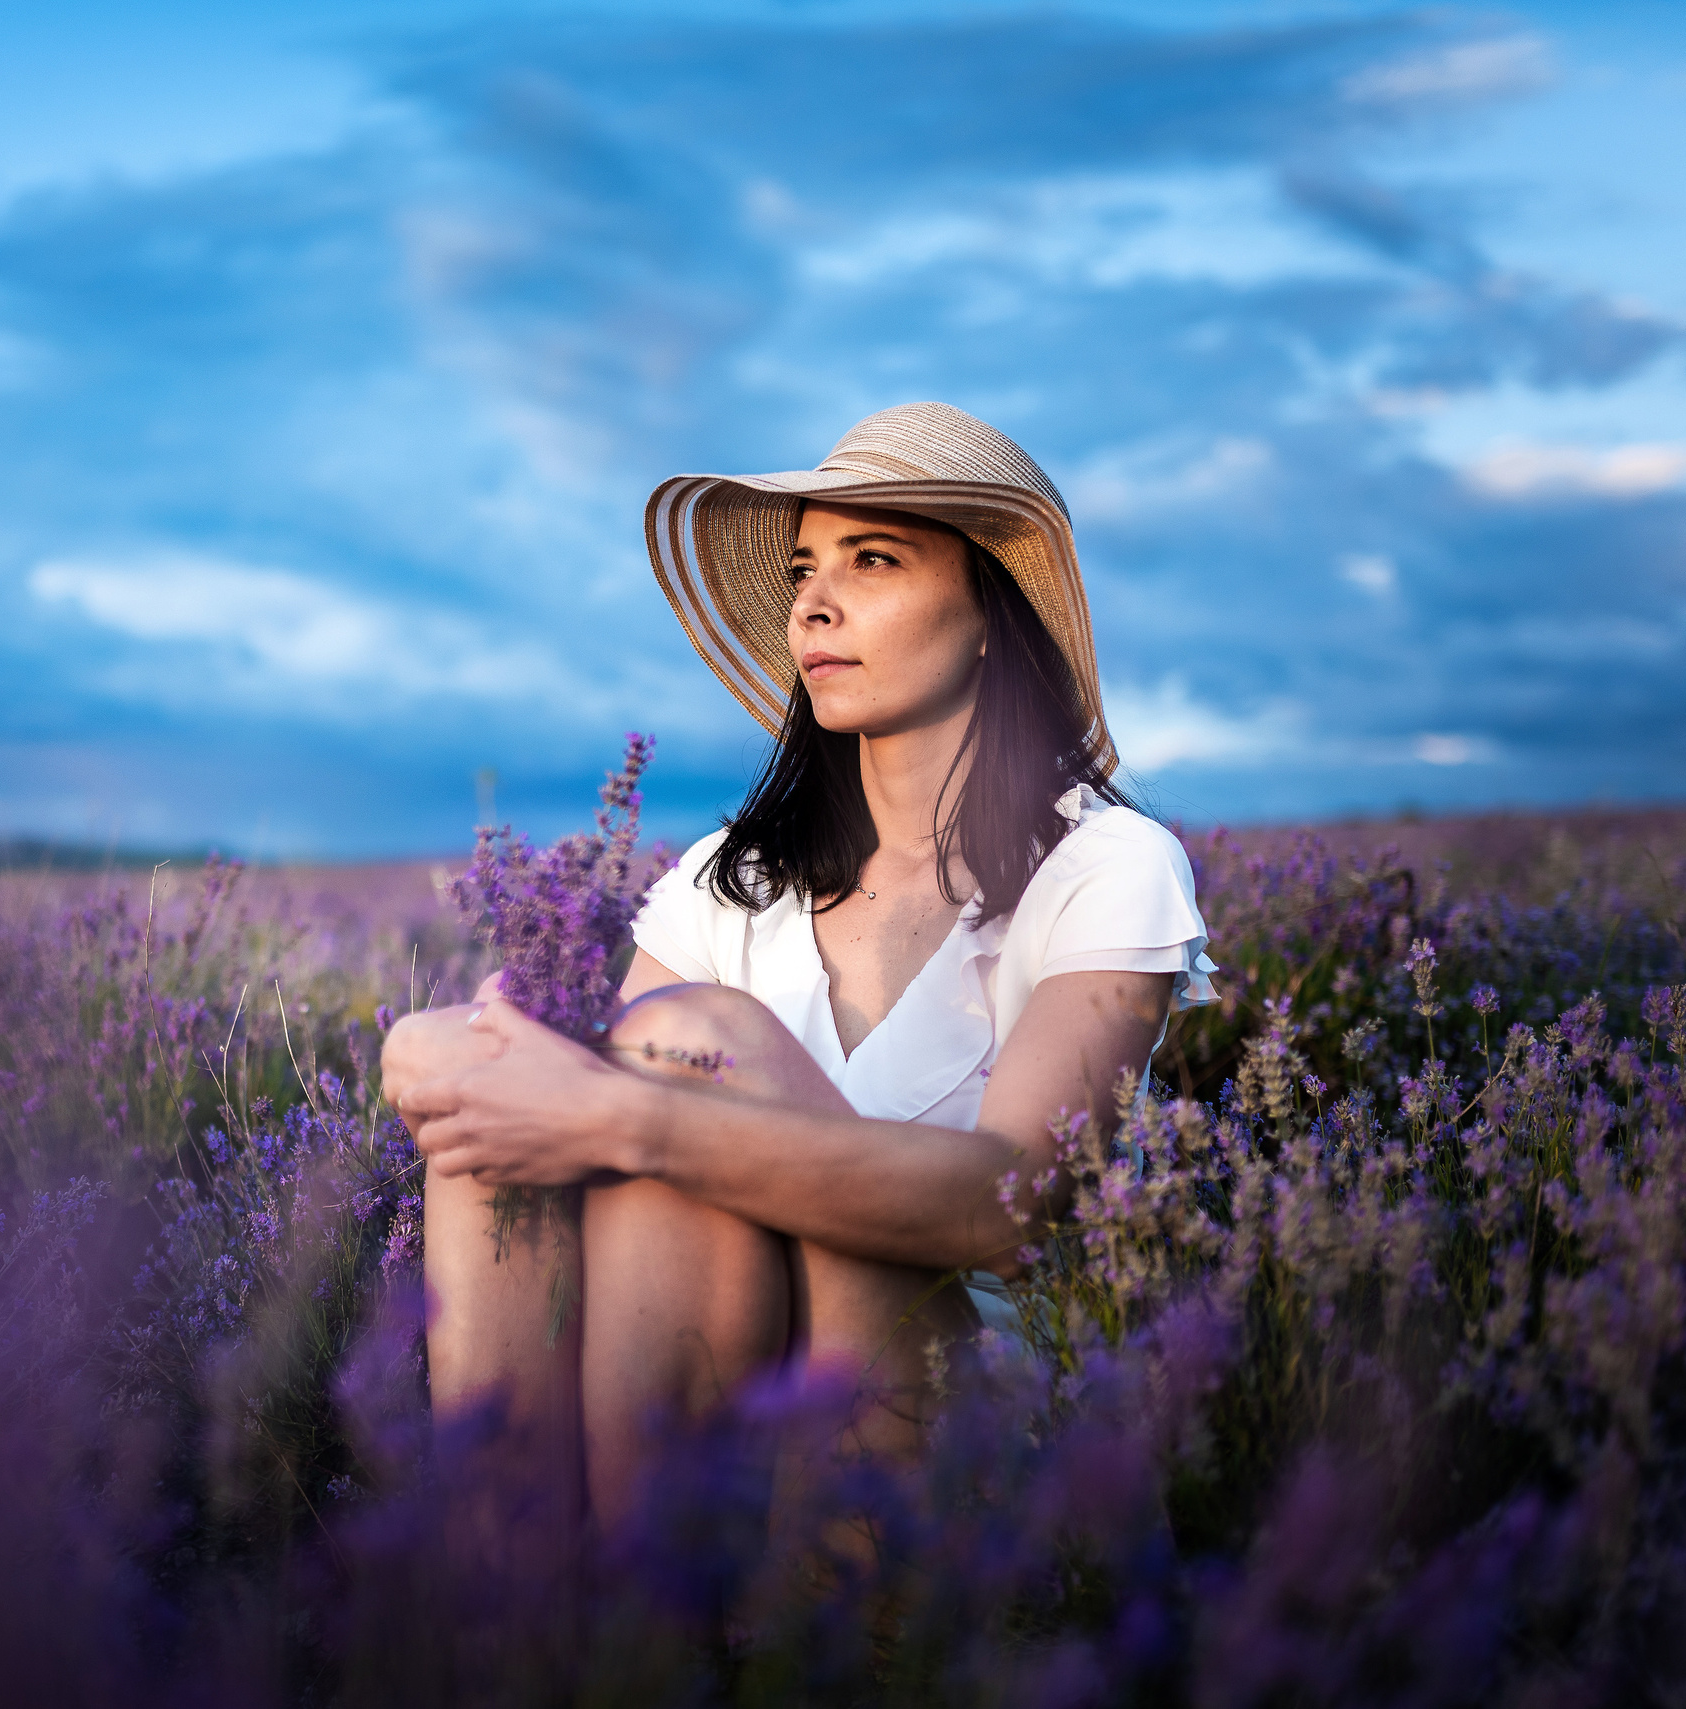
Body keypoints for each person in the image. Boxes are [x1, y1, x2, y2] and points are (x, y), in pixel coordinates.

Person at [382, 402, 1216, 1528]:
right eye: (801, 568)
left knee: (695, 1050)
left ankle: (651, 1623)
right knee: (511, 1082)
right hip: (712, 1385)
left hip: (957, 1435)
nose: (811, 602)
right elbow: (584, 1134)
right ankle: (521, 1614)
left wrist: (629, 1120)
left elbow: (1011, 1204)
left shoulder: (1104, 865)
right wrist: (439, 1056)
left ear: (989, 614)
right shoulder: (732, 876)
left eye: (871, 560)